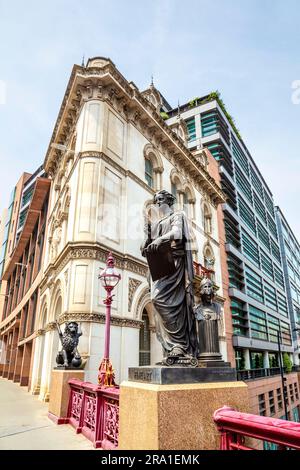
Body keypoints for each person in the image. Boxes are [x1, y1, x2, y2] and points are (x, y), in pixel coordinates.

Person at [141, 190, 198, 362]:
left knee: (166, 300)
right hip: (161, 264)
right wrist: (148, 236)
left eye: (161, 199)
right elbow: (147, 246)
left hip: (174, 263)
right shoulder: (157, 222)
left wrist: (160, 239)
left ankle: (179, 344)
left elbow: (177, 233)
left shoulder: (177, 215)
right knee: (157, 299)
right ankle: (172, 345)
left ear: (169, 201)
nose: (158, 203)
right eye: (156, 200)